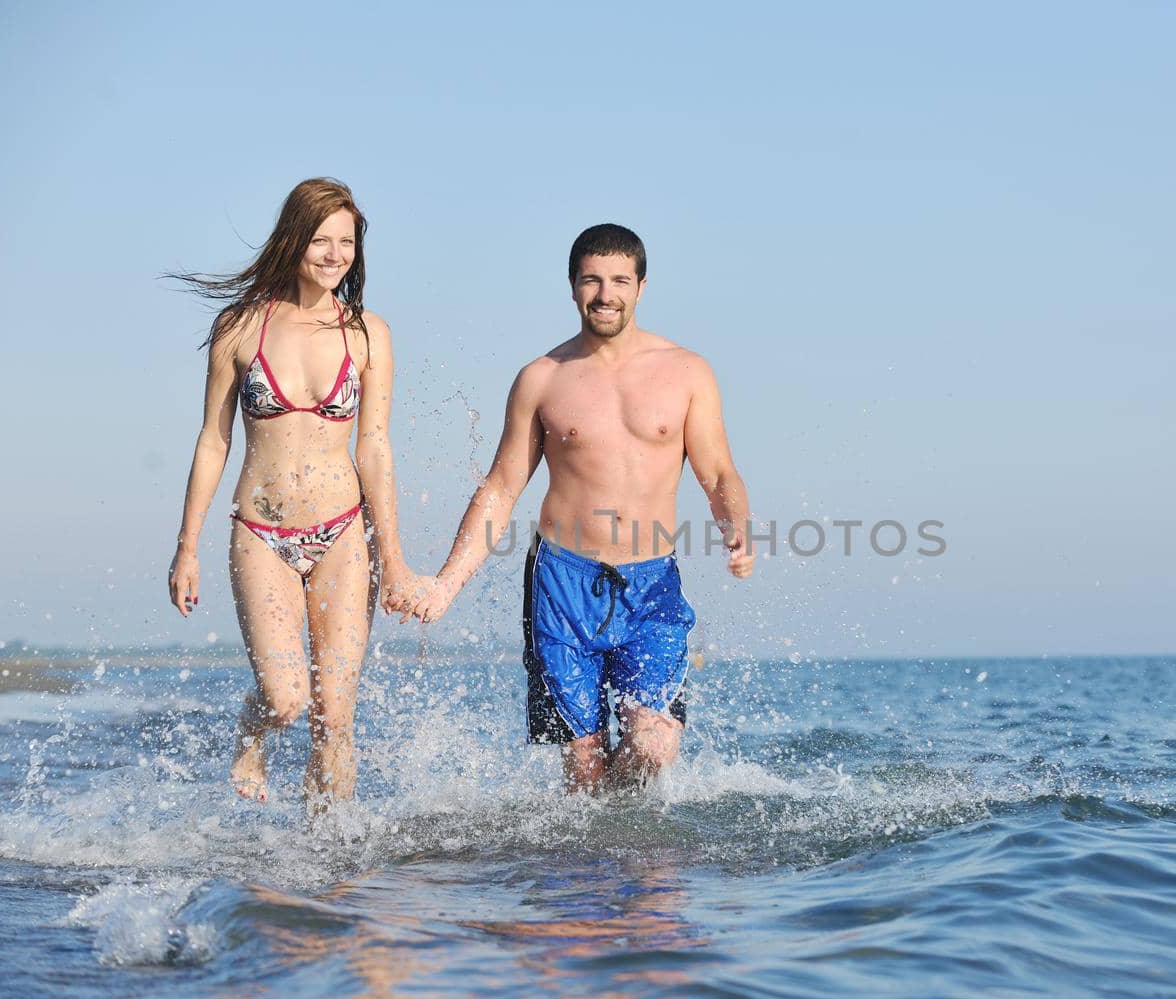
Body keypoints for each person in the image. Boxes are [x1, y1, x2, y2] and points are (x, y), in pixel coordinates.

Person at [408, 224, 753, 792]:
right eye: (591, 280)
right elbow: (500, 488)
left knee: (654, 745)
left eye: (619, 280)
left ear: (641, 286)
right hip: (561, 582)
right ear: (572, 287)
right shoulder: (541, 379)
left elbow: (718, 472)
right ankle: (587, 876)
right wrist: (447, 583)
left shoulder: (687, 372)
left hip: (652, 583)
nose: (605, 293)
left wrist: (735, 526)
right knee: (584, 766)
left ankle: (623, 855)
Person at [166, 178, 422, 807]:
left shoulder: (369, 334)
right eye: (321, 239)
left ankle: (327, 873)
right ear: (292, 238)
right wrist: (187, 547)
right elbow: (212, 443)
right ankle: (250, 732)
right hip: (262, 532)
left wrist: (394, 559)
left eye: (347, 242)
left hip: (342, 532)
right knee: (286, 700)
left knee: (334, 720)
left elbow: (375, 449)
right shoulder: (239, 327)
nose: (335, 254)